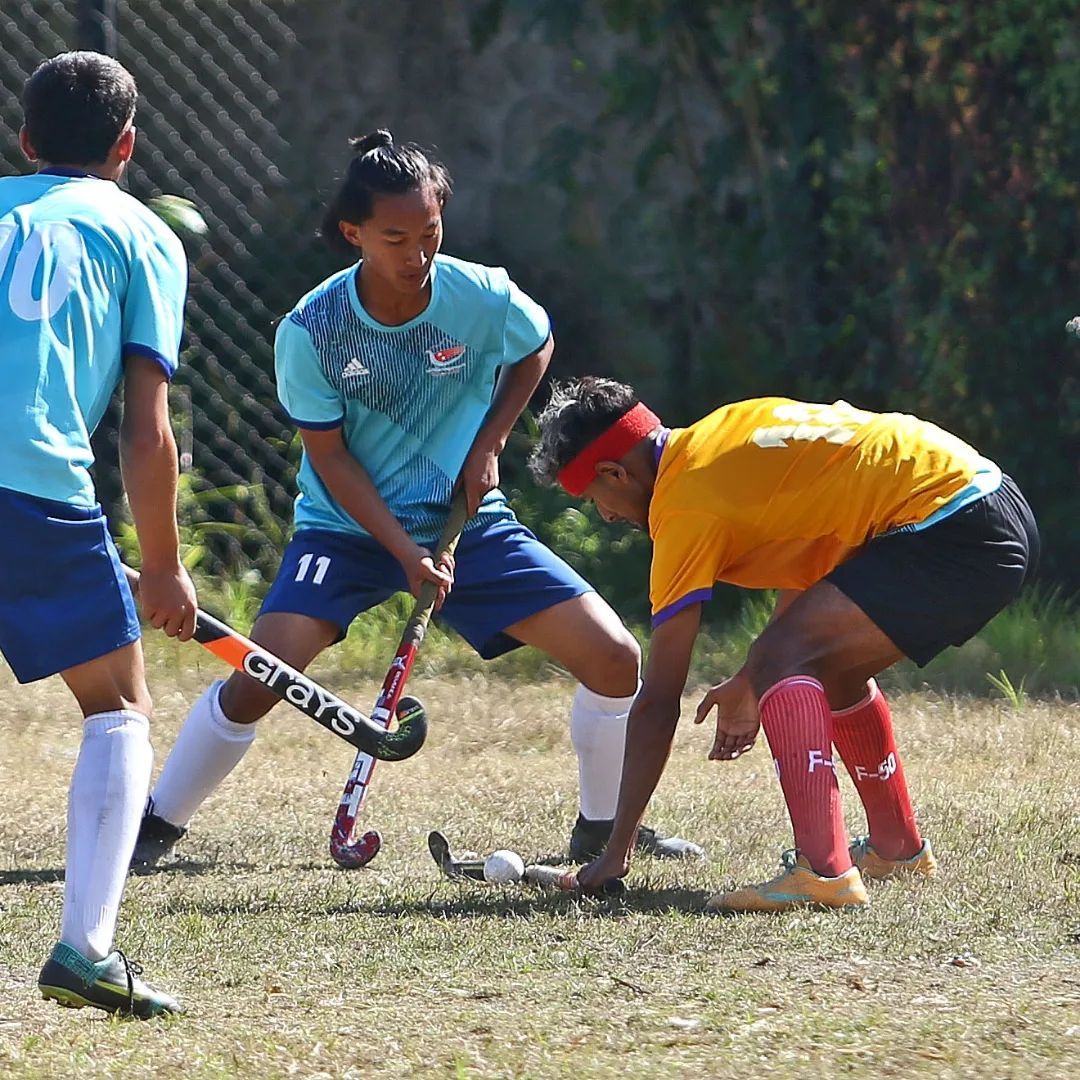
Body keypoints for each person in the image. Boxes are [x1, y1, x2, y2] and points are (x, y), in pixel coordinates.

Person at [132, 131, 701, 868]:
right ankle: (156, 825)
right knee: (261, 675)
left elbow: (535, 345)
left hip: (467, 526)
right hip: (344, 531)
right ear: (353, 233)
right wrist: (402, 553)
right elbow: (330, 460)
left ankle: (601, 826)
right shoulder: (312, 330)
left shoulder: (482, 295)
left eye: (429, 235)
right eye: (395, 238)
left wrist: (489, 441)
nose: (416, 256)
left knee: (616, 659)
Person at [530, 378, 1039, 910]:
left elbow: (659, 699)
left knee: (784, 661)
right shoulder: (724, 429)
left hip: (951, 526)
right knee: (821, 665)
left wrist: (616, 851)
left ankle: (822, 874)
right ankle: (896, 849)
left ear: (615, 472)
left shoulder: (684, 506)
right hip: (992, 498)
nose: (606, 514)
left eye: (595, 498)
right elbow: (818, 554)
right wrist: (754, 674)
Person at [1, 52, 197, 1015]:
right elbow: (144, 425)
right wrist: (161, 564)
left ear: (25, 142)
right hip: (33, 483)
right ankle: (86, 949)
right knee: (118, 707)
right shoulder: (144, 235)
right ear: (127, 146)